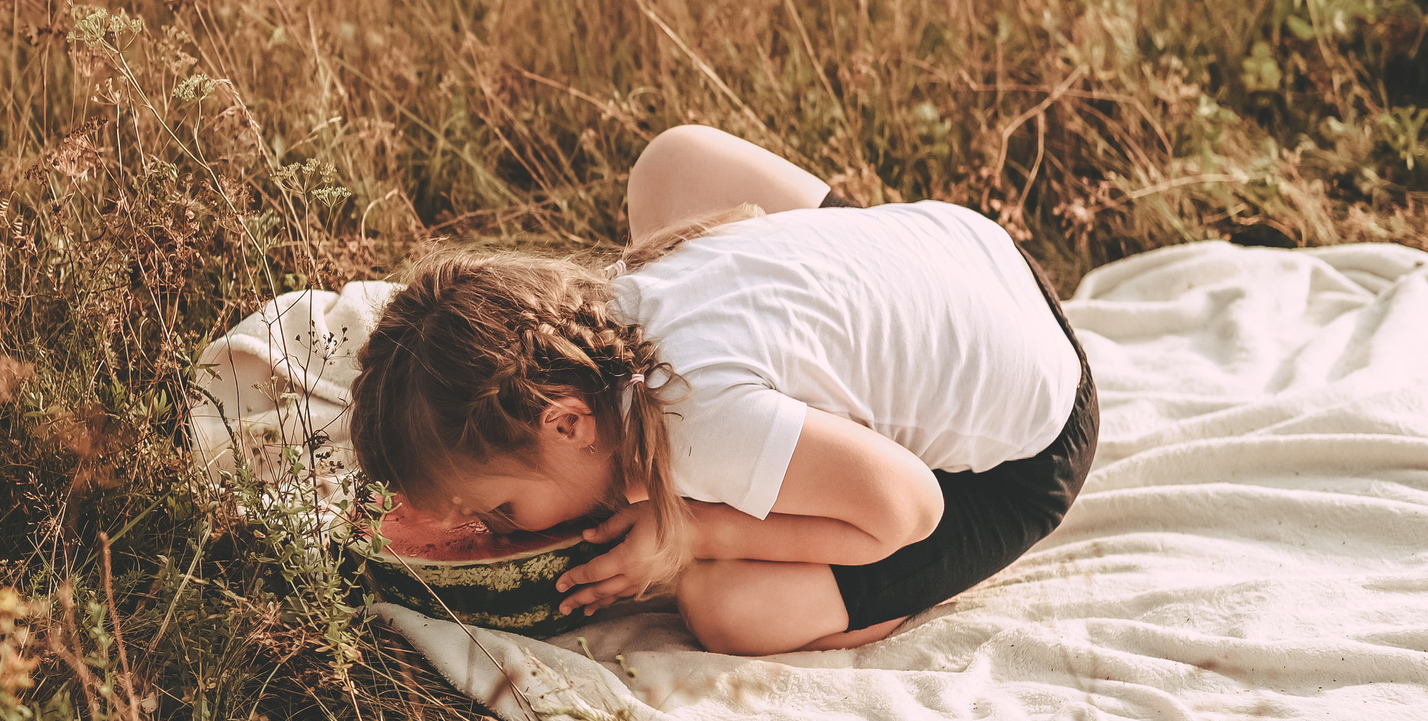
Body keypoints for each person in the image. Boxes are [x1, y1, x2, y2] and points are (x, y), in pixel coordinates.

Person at [347, 126, 1098, 655]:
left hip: (1029, 453)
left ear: (569, 423)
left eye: (503, 509)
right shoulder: (617, 302)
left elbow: (910, 508)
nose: (499, 533)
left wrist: (696, 533)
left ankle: (888, 598)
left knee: (726, 608)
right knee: (671, 162)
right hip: (971, 249)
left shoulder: (698, 423)